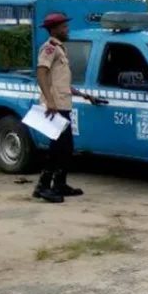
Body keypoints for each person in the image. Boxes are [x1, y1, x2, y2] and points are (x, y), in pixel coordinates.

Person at [33, 13, 103, 203]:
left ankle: (59, 184)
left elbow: (62, 82)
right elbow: (41, 74)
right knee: (58, 148)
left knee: (66, 147)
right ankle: (44, 186)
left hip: (63, 104)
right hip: (55, 106)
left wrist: (85, 96)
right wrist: (50, 101)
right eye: (64, 27)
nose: (67, 30)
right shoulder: (50, 48)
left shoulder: (61, 50)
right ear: (54, 29)